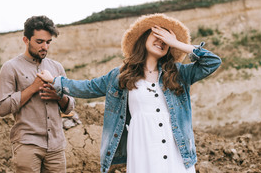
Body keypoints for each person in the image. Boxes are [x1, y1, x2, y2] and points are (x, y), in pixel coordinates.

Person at [38, 13, 221, 173]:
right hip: (143, 146)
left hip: (176, 149)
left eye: (165, 39)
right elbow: (88, 87)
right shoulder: (120, 76)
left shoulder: (180, 74)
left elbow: (212, 62)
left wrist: (177, 43)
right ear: (144, 38)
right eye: (156, 35)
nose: (161, 41)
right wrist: (55, 81)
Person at [0, 15, 75, 173]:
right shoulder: (10, 67)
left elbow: (70, 107)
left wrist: (58, 97)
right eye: (39, 42)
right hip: (27, 145)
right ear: (26, 40)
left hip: (56, 147)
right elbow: (2, 108)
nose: (44, 46)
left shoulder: (57, 68)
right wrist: (33, 88)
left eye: (48, 42)